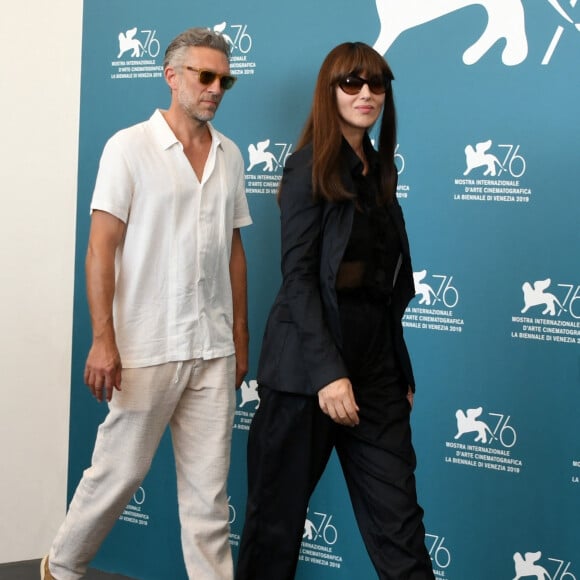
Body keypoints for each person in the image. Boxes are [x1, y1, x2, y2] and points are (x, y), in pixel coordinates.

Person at [41, 27, 252, 580]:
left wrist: (240, 337)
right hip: (146, 342)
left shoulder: (230, 155)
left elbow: (234, 250)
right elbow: (99, 250)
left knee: (209, 498)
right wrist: (103, 338)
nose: (215, 88)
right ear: (172, 75)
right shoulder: (127, 147)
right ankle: (60, 567)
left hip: (213, 346)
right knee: (119, 473)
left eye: (224, 79)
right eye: (204, 76)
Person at [236, 42, 434, 580]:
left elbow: (383, 288)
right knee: (273, 529)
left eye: (376, 84)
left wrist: (399, 370)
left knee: (401, 527)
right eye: (352, 83)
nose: (366, 93)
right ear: (330, 92)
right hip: (307, 368)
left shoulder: (379, 171)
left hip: (375, 368)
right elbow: (298, 280)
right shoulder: (307, 169)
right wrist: (329, 374)